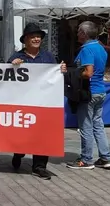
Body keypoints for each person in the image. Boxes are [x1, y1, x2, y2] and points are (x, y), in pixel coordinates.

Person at [8, 23, 67, 180]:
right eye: (32, 37)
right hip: (23, 103)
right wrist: (11, 67)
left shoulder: (48, 57)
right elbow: (5, 80)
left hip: (43, 103)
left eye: (38, 37)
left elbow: (55, 77)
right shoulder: (16, 57)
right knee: (22, 134)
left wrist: (61, 71)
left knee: (43, 134)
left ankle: (39, 166)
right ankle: (18, 153)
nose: (36, 39)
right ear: (25, 40)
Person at [67, 21, 110, 170]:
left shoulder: (87, 49)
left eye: (79, 31)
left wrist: (71, 73)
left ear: (84, 34)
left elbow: (88, 72)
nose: (77, 34)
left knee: (85, 126)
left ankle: (86, 159)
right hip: (100, 90)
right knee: (98, 125)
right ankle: (105, 157)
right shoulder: (100, 48)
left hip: (88, 92)